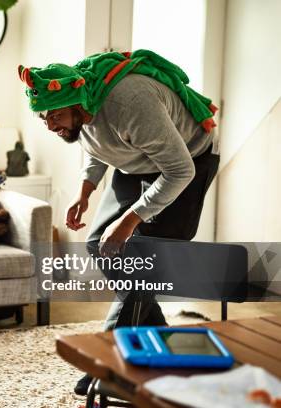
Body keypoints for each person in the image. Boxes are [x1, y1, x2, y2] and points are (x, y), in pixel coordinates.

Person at [18, 50, 220, 395]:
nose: (51, 126)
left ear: (78, 104)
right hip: (136, 163)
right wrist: (85, 191)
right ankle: (156, 335)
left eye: (56, 116)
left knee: (140, 261)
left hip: (184, 165)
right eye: (43, 119)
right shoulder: (82, 108)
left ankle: (105, 366)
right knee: (101, 244)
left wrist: (130, 220)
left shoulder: (131, 104)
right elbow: (97, 145)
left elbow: (179, 170)